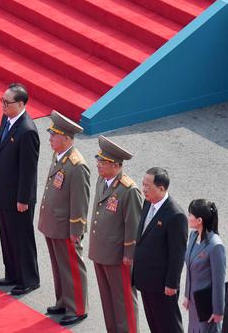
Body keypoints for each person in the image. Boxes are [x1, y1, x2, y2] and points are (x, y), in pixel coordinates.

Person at [38, 110, 90, 326]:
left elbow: (80, 202)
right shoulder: (59, 155)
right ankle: (63, 301)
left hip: (66, 227)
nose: (50, 138)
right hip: (53, 223)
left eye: (54, 135)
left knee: (71, 268)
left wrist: (76, 231)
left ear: (67, 139)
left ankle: (77, 307)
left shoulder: (77, 166)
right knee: (59, 266)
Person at [88, 135, 143, 333]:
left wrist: (129, 254)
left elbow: (133, 225)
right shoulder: (102, 181)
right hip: (101, 252)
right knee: (107, 298)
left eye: (103, 162)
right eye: (98, 160)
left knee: (124, 300)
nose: (98, 165)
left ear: (116, 165)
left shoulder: (128, 190)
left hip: (118, 256)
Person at [0, 83, 40, 295]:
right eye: (2, 101)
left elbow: (28, 170)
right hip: (4, 192)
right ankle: (12, 273)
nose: (3, 105)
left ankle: (28, 278)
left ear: (20, 104)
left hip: (18, 197)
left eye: (7, 102)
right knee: (7, 236)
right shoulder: (7, 119)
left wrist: (23, 199)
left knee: (21, 238)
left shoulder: (27, 130)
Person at [133, 167, 188, 333]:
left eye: (148, 186)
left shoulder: (175, 215)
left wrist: (171, 283)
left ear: (162, 188)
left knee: (169, 326)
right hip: (146, 280)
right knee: (154, 324)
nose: (144, 189)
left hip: (162, 285)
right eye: (143, 184)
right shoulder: (148, 202)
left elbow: (177, 254)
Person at [182, 200, 226, 333]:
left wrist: (218, 311)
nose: (188, 217)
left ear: (199, 220)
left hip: (207, 305)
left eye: (190, 215)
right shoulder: (193, 235)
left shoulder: (215, 245)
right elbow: (189, 269)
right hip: (194, 302)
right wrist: (187, 295)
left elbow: (219, 282)